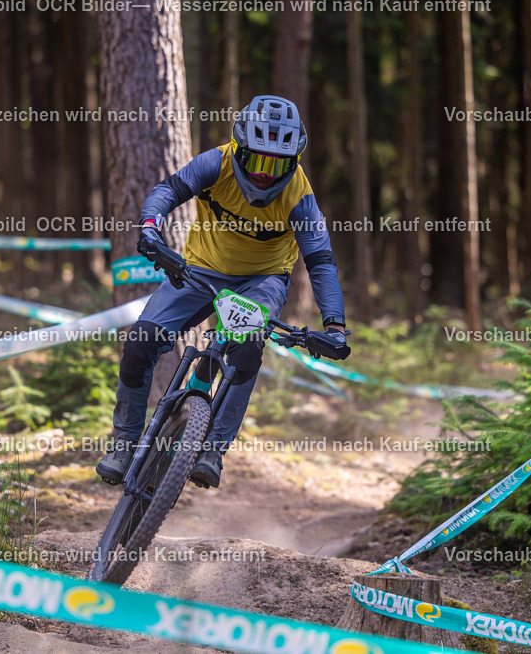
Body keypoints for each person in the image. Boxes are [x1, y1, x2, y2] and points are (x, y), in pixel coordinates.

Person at [96, 94, 348, 489]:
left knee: (246, 348)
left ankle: (212, 450)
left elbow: (321, 261)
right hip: (201, 270)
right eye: (258, 160)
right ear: (240, 148)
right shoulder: (216, 162)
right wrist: (149, 228)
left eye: (277, 164)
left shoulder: (299, 195)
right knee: (141, 341)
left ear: (293, 161)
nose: (265, 174)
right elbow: (168, 190)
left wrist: (334, 325)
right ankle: (124, 443)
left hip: (262, 280)